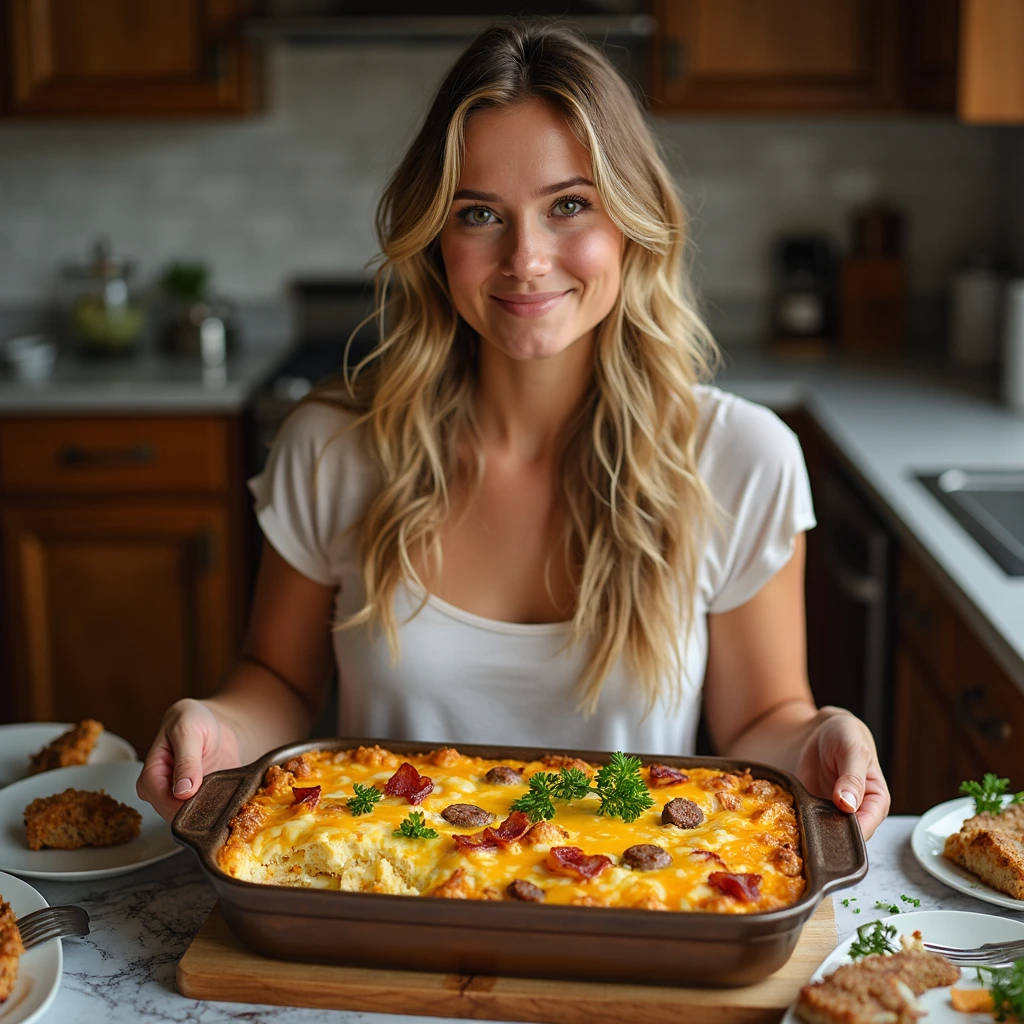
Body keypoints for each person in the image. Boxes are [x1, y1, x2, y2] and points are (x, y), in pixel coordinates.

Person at [138, 21, 890, 840]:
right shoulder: (333, 446)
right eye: (480, 214)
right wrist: (220, 725)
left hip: (635, 912)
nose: (526, 259)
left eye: (569, 205)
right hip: (382, 901)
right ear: (436, 241)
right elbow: (278, 681)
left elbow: (761, 723)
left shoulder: (741, 459)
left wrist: (818, 735)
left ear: (634, 225)